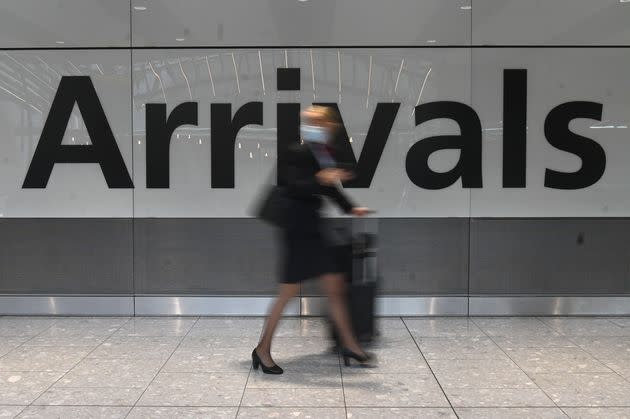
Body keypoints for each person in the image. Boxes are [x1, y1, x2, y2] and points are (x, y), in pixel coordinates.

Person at [252, 105, 374, 374]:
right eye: (310, 121)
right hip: (296, 230)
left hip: (314, 229)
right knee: (288, 292)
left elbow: (328, 190)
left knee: (335, 286)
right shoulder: (294, 151)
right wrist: (320, 177)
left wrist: (351, 207)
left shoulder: (325, 153)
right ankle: (262, 350)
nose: (313, 126)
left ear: (330, 127)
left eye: (318, 122)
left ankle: (351, 345)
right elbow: (291, 184)